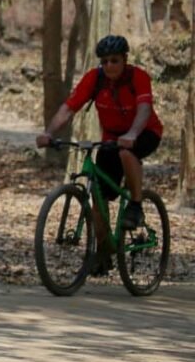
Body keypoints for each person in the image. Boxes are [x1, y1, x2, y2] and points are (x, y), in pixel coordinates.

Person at [36, 34, 162, 229]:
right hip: (111, 138)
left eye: (114, 60)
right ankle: (103, 255)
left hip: (145, 131)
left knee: (127, 152)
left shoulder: (138, 77)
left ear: (124, 60)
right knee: (99, 198)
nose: (109, 65)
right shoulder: (95, 79)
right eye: (104, 61)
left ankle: (136, 206)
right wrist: (49, 133)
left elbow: (144, 109)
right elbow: (68, 109)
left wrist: (132, 135)